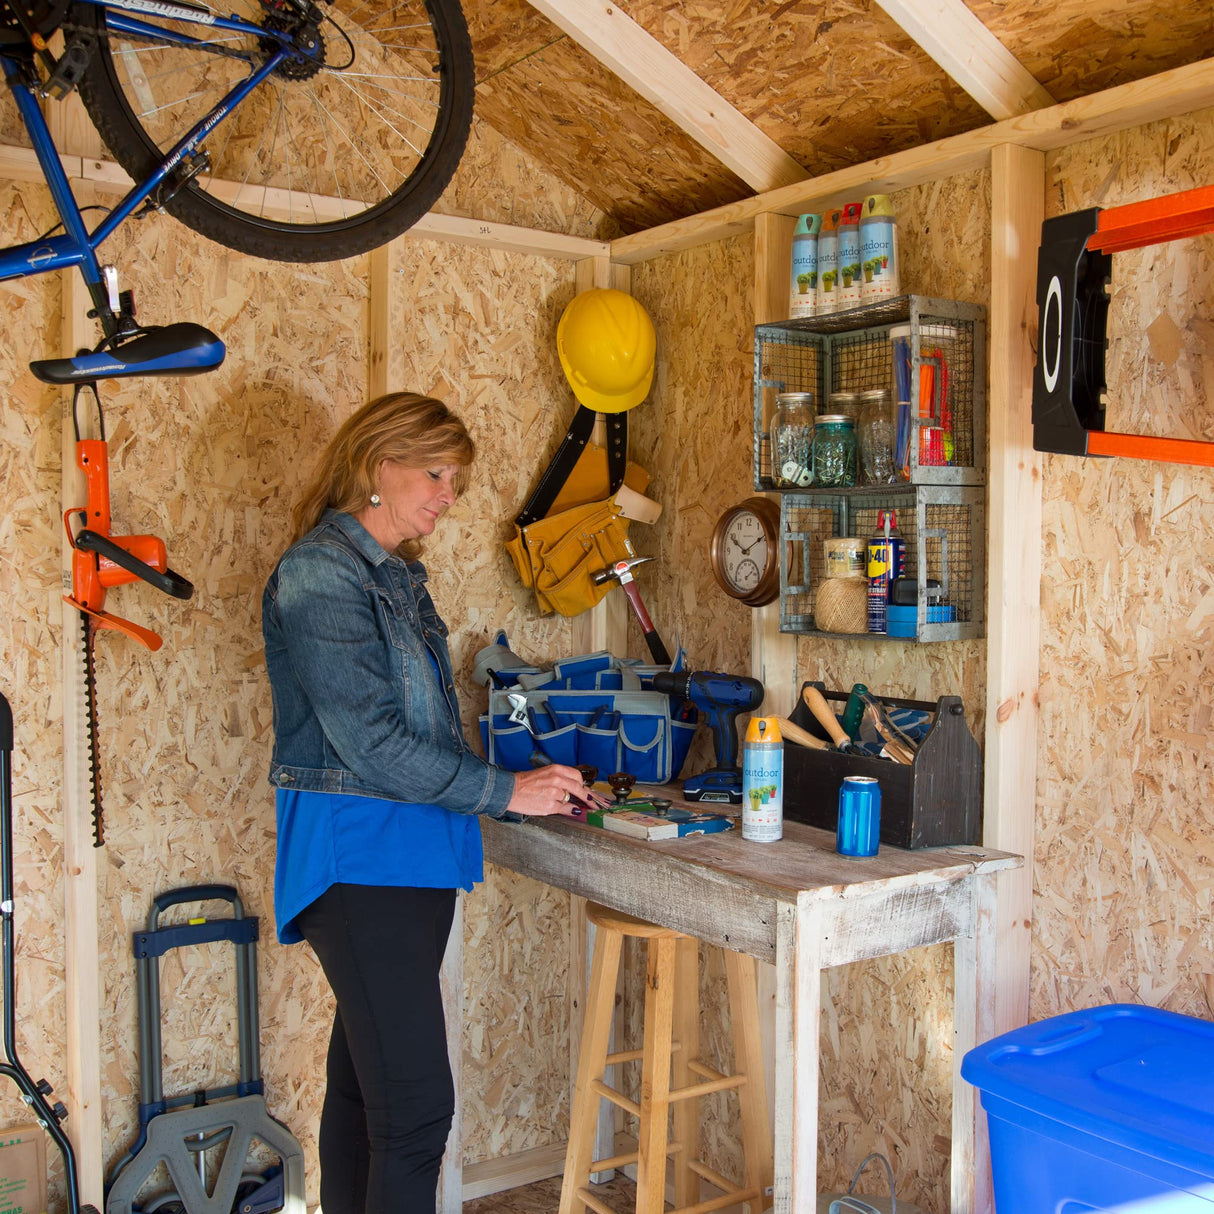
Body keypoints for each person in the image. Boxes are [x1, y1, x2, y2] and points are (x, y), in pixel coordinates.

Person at [261, 392, 592, 1214]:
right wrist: (505, 790)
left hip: (409, 855)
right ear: (380, 464)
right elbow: (369, 742)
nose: (450, 494)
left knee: (365, 1097)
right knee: (416, 1116)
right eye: (437, 473)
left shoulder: (399, 575)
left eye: (457, 478)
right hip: (358, 856)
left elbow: (422, 728)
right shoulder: (318, 574)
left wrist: (516, 780)